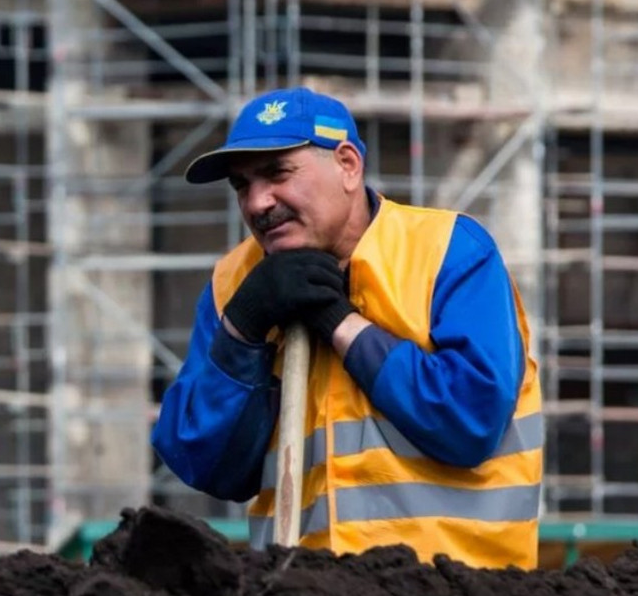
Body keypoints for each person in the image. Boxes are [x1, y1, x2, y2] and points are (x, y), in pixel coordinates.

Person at [150, 87, 543, 569]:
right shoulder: (233, 285)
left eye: (278, 173)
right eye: (241, 185)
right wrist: (242, 330)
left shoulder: (448, 252)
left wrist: (341, 325)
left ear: (348, 165)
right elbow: (202, 463)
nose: (257, 203)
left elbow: (470, 420)